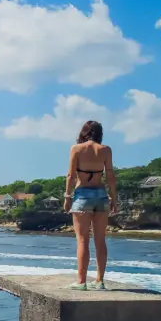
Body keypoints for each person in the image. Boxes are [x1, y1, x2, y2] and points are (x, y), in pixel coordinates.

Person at [63, 120, 117, 290]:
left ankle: (81, 282)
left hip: (83, 196)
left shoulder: (76, 149)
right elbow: (110, 177)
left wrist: (67, 197)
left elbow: (71, 176)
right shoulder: (106, 150)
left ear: (83, 132)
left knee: (82, 240)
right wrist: (114, 198)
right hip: (101, 195)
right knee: (100, 240)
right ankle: (100, 281)